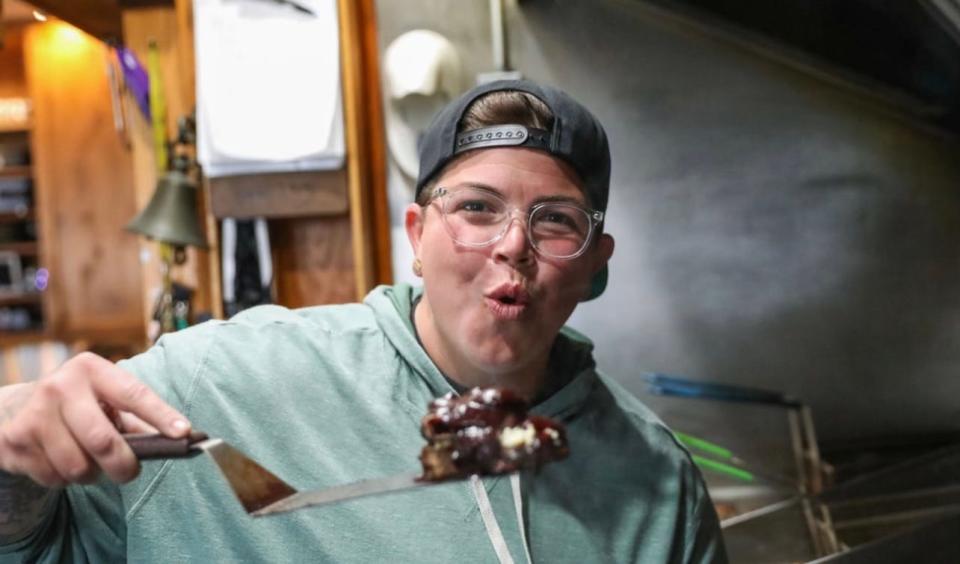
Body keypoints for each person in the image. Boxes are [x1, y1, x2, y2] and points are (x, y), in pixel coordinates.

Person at [0, 79, 726, 563]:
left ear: (595, 262)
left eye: (555, 221)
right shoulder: (212, 382)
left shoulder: (657, 482)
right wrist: (13, 465)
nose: (512, 245)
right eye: (476, 207)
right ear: (416, 234)